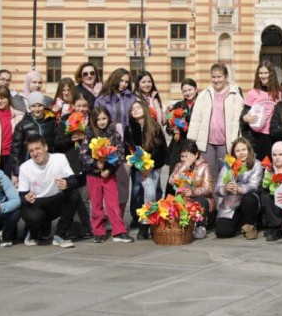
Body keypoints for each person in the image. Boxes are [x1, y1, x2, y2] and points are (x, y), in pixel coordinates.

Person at [79, 105, 132, 243]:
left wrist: (110, 168)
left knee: (113, 203)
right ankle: (98, 231)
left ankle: (119, 231)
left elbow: (120, 154)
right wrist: (95, 164)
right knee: (96, 204)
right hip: (93, 175)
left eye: (104, 118)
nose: (102, 121)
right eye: (99, 119)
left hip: (109, 174)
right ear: (93, 120)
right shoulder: (89, 134)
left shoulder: (114, 134)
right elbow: (83, 154)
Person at [16, 134, 79, 248]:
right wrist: (25, 198)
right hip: (37, 203)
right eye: (31, 151)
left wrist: (67, 184)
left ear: (45, 147)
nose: (35, 153)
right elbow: (21, 195)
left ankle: (60, 235)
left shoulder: (59, 158)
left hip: (55, 201)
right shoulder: (25, 167)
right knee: (34, 217)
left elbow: (74, 180)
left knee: (73, 195)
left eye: (38, 148)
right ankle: (33, 234)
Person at [187, 63, 244, 180]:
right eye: (213, 77)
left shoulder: (235, 95)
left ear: (226, 76)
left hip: (226, 143)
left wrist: (234, 142)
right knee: (209, 175)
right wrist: (192, 140)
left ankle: (225, 198)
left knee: (226, 174)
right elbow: (196, 118)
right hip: (207, 143)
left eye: (219, 77)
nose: (216, 80)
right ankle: (211, 198)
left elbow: (236, 121)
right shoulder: (204, 94)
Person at [124, 99, 168, 240]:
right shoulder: (129, 128)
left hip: (154, 166)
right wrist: (139, 165)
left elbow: (161, 149)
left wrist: (150, 165)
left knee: (151, 193)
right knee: (142, 193)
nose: (135, 110)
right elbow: (128, 150)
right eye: (133, 109)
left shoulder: (154, 127)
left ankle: (147, 224)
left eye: (138, 107)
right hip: (139, 167)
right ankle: (143, 222)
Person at [53, 93, 93, 239]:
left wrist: (87, 137)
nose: (82, 109)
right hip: (71, 164)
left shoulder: (93, 120)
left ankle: (86, 227)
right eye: (78, 106)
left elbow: (100, 138)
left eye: (84, 106)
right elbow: (57, 142)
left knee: (85, 197)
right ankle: (74, 227)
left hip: (88, 164)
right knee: (73, 197)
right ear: (73, 106)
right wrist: (71, 138)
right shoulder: (65, 120)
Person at [213, 137, 265, 239]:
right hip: (231, 205)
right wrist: (226, 188)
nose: (241, 153)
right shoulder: (227, 166)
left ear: (249, 150)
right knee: (222, 232)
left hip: (248, 200)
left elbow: (254, 185)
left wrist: (240, 189)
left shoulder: (257, 164)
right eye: (237, 151)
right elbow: (217, 189)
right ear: (233, 153)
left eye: (243, 150)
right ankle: (239, 223)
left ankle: (250, 224)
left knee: (249, 199)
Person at [165, 141, 215, 239]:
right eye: (182, 156)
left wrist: (193, 192)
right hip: (183, 199)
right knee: (169, 203)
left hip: (199, 199)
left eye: (187, 156)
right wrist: (185, 166)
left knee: (201, 201)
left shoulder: (204, 166)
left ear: (195, 155)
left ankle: (201, 226)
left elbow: (208, 188)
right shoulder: (180, 166)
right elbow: (171, 181)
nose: (184, 159)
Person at [10, 92, 59, 175]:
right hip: (29, 164)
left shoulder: (51, 122)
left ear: (44, 106)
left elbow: (56, 145)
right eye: (33, 106)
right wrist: (17, 171)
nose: (37, 109)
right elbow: (15, 150)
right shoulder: (22, 125)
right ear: (29, 107)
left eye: (39, 105)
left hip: (48, 165)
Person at [242, 60, 278, 160]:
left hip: (273, 137)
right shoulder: (252, 93)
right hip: (257, 137)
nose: (263, 76)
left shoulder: (279, 94)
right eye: (261, 73)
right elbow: (243, 115)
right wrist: (245, 118)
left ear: (272, 74)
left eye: (266, 73)